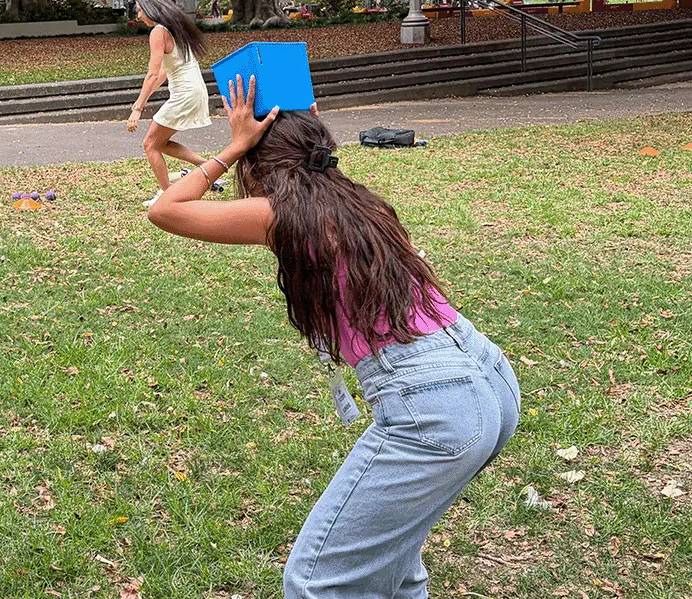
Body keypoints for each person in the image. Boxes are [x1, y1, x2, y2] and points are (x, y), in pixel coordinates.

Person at [147, 77, 521, 599]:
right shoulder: (358, 201)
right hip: (488, 377)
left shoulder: (285, 213)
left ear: (262, 164)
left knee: (315, 582)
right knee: (394, 563)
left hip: (436, 404)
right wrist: (301, 122)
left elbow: (164, 209)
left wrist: (234, 146)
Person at [125, 0, 212, 208]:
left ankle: (167, 196)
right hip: (195, 91)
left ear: (150, 8)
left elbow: (153, 73)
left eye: (139, 9)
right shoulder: (176, 28)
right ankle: (209, 166)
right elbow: (164, 73)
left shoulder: (158, 32)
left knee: (150, 144)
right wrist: (146, 95)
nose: (138, 14)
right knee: (159, 142)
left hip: (185, 94)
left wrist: (138, 107)